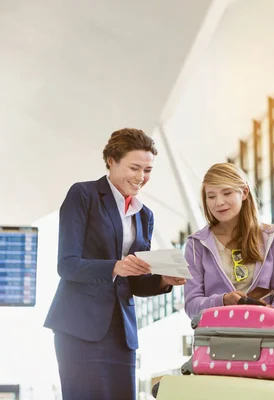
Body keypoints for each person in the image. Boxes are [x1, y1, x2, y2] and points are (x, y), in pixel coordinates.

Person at [44, 128, 186, 400]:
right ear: (111, 160)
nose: (141, 177)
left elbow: (134, 281)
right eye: (134, 168)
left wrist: (163, 280)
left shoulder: (144, 215)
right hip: (80, 326)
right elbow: (67, 265)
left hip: (121, 332)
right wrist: (115, 266)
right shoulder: (83, 195)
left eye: (147, 170)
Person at [184, 162, 274, 319]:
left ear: (244, 192)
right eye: (211, 196)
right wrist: (223, 301)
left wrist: (271, 313)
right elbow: (191, 306)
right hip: (217, 336)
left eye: (227, 193)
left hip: (266, 333)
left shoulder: (273, 237)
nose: (219, 202)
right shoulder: (196, 244)